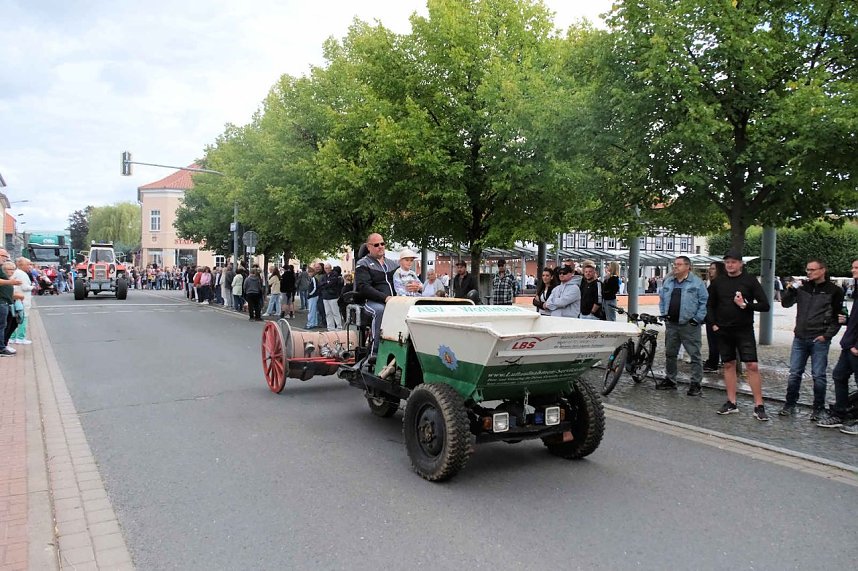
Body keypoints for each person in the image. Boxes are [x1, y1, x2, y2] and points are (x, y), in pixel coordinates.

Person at [709, 251, 771, 420]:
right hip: (723, 329)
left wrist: (745, 305)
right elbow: (710, 304)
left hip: (744, 329)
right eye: (727, 262)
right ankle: (731, 402)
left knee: (752, 365)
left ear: (741, 264)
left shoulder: (749, 280)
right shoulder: (718, 282)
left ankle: (759, 404)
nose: (730, 265)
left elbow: (765, 305)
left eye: (734, 262)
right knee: (728, 364)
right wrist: (713, 324)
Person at [779, 258, 844, 419]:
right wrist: (791, 289)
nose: (809, 273)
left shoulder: (834, 291)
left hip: (819, 338)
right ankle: (790, 404)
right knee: (794, 373)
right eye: (807, 270)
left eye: (812, 270)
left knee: (819, 375)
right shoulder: (803, 288)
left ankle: (818, 407)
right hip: (800, 336)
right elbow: (785, 304)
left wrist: (826, 336)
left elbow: (839, 317)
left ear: (823, 270)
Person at [816, 258, 858, 433]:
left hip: (855, 346)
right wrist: (847, 320)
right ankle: (840, 413)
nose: (852, 270)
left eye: (856, 268)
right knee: (839, 375)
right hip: (849, 344)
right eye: (853, 267)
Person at [658, 256, 709, 395]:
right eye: (674, 264)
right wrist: (663, 314)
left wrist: (697, 319)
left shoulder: (697, 283)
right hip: (672, 324)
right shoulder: (669, 282)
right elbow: (662, 299)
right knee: (670, 353)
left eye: (679, 265)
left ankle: (696, 384)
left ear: (687, 267)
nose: (675, 267)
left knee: (694, 355)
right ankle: (670, 380)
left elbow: (704, 303)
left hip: (689, 325)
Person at [355, 233, 397, 355]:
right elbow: (363, 287)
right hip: (371, 302)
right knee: (380, 310)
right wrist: (385, 298)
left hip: (394, 301)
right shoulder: (363, 263)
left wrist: (416, 286)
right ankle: (375, 350)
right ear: (369, 247)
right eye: (376, 244)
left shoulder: (392, 264)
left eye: (382, 243)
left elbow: (403, 280)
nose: (380, 246)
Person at [703, 261, 726, 372]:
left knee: (714, 342)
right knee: (713, 342)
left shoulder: (717, 285)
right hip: (712, 318)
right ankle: (714, 361)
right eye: (710, 268)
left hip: (715, 318)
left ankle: (713, 362)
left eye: (713, 268)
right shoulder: (713, 284)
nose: (710, 271)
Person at [0, 249, 23, 356]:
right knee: (3, 325)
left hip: (6, 302)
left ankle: (4, 345)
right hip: (2, 302)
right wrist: (11, 282)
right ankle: (2, 347)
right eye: (5, 256)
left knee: (8, 324)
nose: (5, 259)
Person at [10, 257, 34, 345]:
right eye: (28, 264)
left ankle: (12, 337)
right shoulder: (22, 274)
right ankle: (21, 337)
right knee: (23, 318)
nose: (29, 266)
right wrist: (33, 287)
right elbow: (25, 287)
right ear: (21, 265)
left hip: (17, 299)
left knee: (14, 319)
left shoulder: (16, 272)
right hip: (23, 299)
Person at [320, 264, 344, 330]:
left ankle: (339, 327)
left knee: (335, 312)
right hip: (325, 297)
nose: (326, 270)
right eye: (325, 268)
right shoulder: (323, 276)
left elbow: (332, 283)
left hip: (333, 297)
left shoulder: (335, 275)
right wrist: (326, 283)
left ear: (331, 268)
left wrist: (326, 284)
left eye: (328, 268)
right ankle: (330, 327)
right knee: (328, 313)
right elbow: (321, 284)